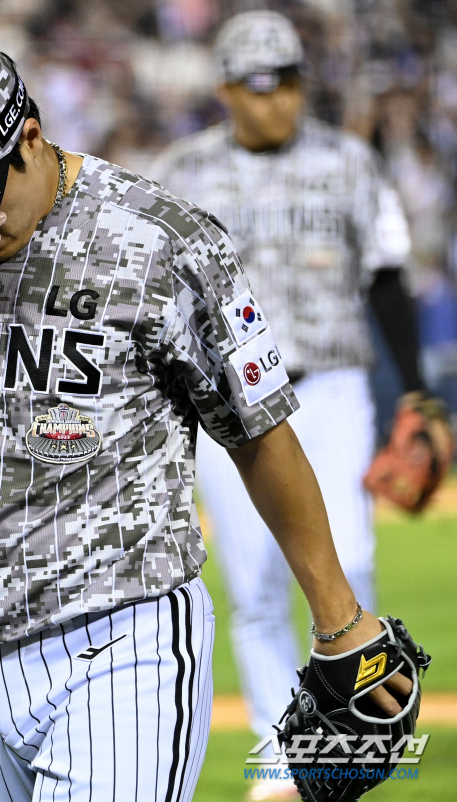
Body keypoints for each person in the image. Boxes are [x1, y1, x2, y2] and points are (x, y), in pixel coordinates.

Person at [0, 38, 411, 802]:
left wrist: (339, 619)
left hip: (120, 639)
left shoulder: (161, 239)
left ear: (29, 137)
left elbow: (258, 430)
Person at [153, 11, 425, 801]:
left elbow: (387, 274)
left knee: (351, 558)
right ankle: (287, 748)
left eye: (291, 82)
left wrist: (416, 387)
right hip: (226, 401)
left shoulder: (349, 162)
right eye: (261, 86)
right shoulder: (183, 172)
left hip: (330, 381)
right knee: (253, 582)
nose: (279, 101)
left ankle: (346, 716)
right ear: (229, 89)